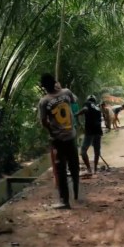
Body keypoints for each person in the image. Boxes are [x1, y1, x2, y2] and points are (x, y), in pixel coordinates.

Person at [38, 73, 79, 209]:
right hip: (71, 136)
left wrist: (51, 131)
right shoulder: (66, 92)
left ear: (43, 87)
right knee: (74, 166)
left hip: (58, 140)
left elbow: (44, 121)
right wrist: (60, 89)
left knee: (61, 170)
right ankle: (77, 193)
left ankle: (64, 201)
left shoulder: (44, 101)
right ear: (55, 82)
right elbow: (74, 101)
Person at [76, 95, 103, 174]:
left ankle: (89, 169)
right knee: (97, 151)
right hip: (98, 132)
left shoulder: (87, 104)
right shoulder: (98, 108)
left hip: (90, 132)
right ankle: (95, 169)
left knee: (83, 151)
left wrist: (77, 114)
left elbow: (85, 109)